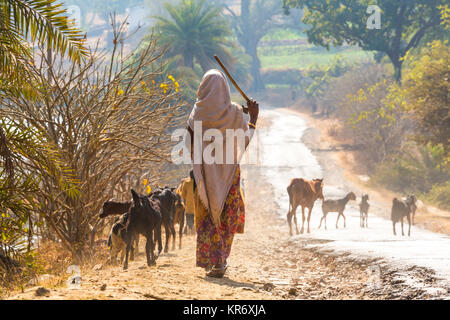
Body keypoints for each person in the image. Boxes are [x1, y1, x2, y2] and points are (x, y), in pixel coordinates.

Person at [186, 69, 259, 278]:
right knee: (227, 217)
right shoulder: (235, 113)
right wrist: (253, 118)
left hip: (204, 178)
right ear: (226, 89)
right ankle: (221, 261)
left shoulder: (195, 115)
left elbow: (189, 146)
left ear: (202, 88)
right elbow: (244, 141)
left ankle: (214, 262)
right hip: (229, 178)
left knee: (209, 217)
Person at [176, 170, 196, 235]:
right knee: (195, 219)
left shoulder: (186, 183)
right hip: (197, 206)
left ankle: (190, 231)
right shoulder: (199, 182)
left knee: (189, 218)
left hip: (188, 205)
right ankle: (194, 232)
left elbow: (183, 195)